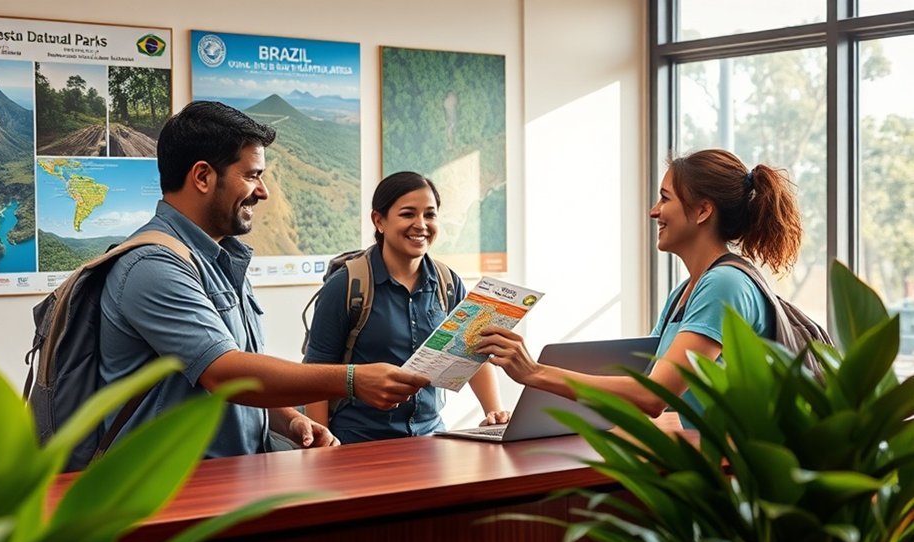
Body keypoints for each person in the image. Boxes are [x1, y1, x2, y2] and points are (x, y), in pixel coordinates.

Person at [99, 101, 428, 458]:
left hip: (231, 484)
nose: (263, 191)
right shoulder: (153, 265)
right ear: (203, 176)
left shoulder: (222, 258)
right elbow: (224, 373)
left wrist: (289, 421)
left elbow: (240, 378)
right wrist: (352, 380)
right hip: (170, 494)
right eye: (252, 175)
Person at [477, 148, 802, 424]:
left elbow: (652, 397)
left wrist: (535, 373)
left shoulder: (724, 284)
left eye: (665, 198)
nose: (654, 211)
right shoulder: (685, 292)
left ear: (703, 210)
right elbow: (645, 382)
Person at [303, 171, 510, 443]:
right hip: (357, 443)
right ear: (379, 221)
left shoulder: (448, 283)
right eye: (408, 214)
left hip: (431, 439)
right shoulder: (346, 286)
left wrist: (494, 413)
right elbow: (317, 372)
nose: (421, 224)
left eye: (430, 214)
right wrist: (320, 450)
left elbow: (473, 354)